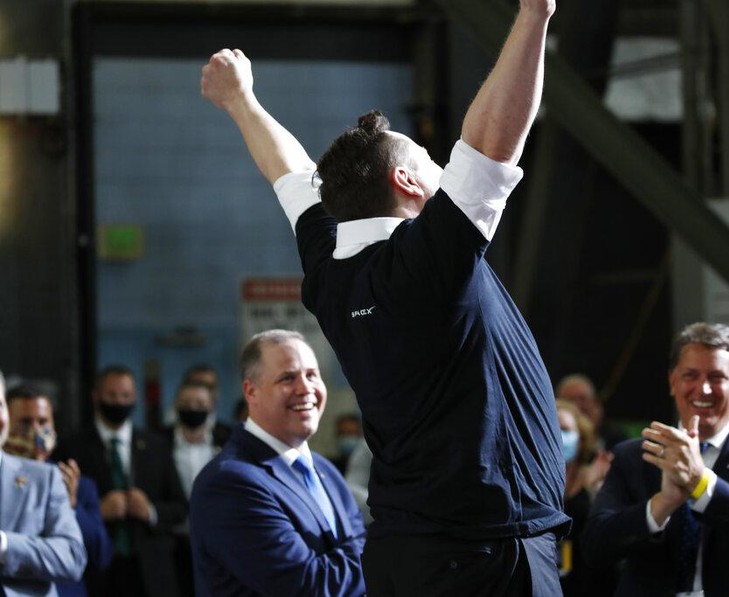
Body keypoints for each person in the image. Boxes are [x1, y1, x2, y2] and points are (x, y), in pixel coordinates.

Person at [200, 0, 567, 594]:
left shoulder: (332, 267)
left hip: (412, 552)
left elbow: (288, 175)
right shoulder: (427, 260)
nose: (442, 165)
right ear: (408, 183)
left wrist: (242, 102)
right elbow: (491, 147)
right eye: (428, 160)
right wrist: (534, 15)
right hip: (485, 556)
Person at [582, 322, 729, 596]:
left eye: (717, 377)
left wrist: (701, 482)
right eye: (690, 376)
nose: (703, 389)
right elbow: (595, 548)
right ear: (673, 381)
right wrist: (661, 505)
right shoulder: (633, 456)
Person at [190, 330, 366, 596]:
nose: (306, 388)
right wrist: (380, 548)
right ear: (251, 392)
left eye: (312, 375)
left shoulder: (325, 470)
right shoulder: (230, 483)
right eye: (288, 377)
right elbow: (308, 586)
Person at [53, 365, 188, 597]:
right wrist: (97, 512)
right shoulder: (72, 446)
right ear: (96, 397)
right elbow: (56, 509)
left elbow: (180, 507)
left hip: (151, 571)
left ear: (134, 398)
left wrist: (150, 511)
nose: (119, 402)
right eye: (112, 395)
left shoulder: (156, 445)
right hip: (97, 570)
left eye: (125, 396)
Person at [6, 385, 113, 597]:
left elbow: (101, 555)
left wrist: (71, 507)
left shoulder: (79, 485)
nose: (36, 430)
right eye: (25, 422)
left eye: (43, 421)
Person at [0, 371, 87, 596]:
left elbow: (73, 557)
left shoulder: (48, 477)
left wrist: (4, 544)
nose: (35, 431)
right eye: (26, 422)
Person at [161, 380, 227, 597]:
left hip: (218, 544)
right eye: (187, 403)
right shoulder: (159, 443)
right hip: (173, 544)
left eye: (200, 404)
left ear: (211, 407)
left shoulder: (227, 441)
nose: (193, 409)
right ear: (176, 405)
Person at [555, 399, 616, 597]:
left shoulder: (595, 479)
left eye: (565, 429)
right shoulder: (527, 482)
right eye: (552, 428)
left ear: (581, 440)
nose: (558, 436)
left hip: (590, 583)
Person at [556, 373, 629, 451]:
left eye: (582, 399)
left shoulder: (614, 435)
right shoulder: (556, 437)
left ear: (595, 402)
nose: (577, 405)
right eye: (570, 400)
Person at [181, 364, 233, 447]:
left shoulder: (231, 437)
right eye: (194, 384)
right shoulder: (164, 438)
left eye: (208, 386)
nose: (200, 391)